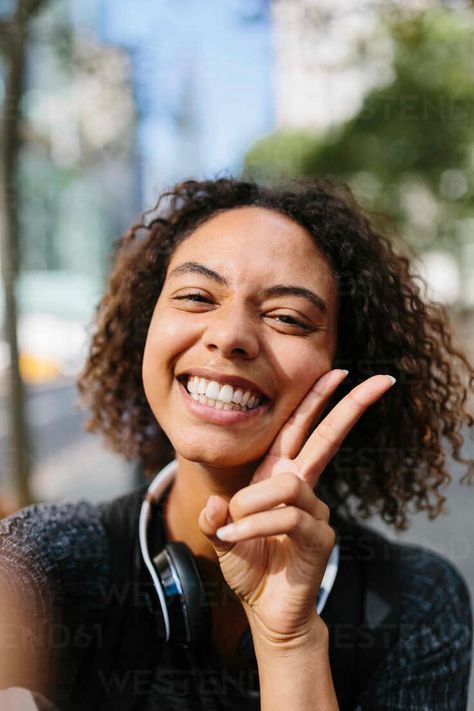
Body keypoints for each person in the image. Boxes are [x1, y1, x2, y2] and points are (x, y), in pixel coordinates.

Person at [0, 177, 472, 710]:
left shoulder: (417, 602)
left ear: (348, 367)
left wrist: (290, 643)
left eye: (288, 318)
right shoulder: (45, 556)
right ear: (145, 326)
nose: (229, 336)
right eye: (197, 297)